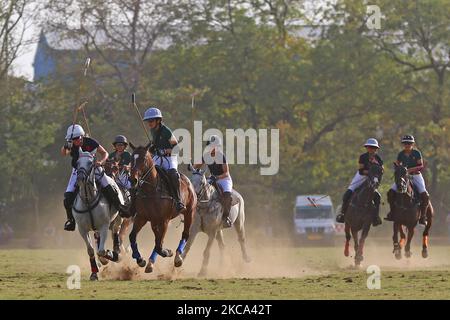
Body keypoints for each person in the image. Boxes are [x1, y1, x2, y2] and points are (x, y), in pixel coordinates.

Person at [61, 124, 127, 231]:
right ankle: (71, 220)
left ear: (81, 136)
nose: (75, 141)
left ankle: (120, 208)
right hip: (77, 171)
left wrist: (100, 162)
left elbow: (104, 153)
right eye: (72, 139)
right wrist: (65, 146)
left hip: (93, 168)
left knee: (109, 186)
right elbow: (64, 153)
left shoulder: (90, 142)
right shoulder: (71, 145)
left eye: (76, 138)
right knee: (68, 196)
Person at [142, 107, 185, 213]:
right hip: (157, 158)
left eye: (151, 121)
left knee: (173, 174)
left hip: (169, 159)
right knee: (144, 173)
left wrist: (166, 150)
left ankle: (178, 200)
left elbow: (177, 147)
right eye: (148, 121)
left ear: (158, 120)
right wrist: (152, 148)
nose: (149, 123)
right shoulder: (152, 131)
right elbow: (155, 144)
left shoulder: (166, 131)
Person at [336, 138, 383, 226]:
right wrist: (370, 172)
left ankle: (375, 217)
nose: (371, 149)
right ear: (367, 148)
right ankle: (342, 214)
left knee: (377, 197)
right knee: (347, 194)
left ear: (376, 149)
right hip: (361, 176)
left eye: (373, 148)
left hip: (372, 178)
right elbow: (361, 170)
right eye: (369, 147)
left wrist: (376, 170)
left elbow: (381, 170)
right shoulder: (363, 157)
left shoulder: (378, 158)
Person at [385, 135, 429, 225]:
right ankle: (392, 212)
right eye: (405, 143)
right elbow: (397, 165)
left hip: (416, 176)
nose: (407, 145)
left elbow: (420, 166)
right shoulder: (401, 154)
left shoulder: (416, 153)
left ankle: (423, 216)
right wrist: (399, 169)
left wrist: (410, 170)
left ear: (412, 144)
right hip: (403, 177)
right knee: (391, 192)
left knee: (425, 195)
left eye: (409, 143)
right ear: (403, 144)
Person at [193, 135, 233, 228]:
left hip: (224, 180)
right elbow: (197, 166)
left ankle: (225, 218)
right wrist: (192, 166)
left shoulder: (221, 156)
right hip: (212, 178)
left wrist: (217, 177)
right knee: (199, 191)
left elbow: (226, 173)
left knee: (227, 196)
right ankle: (194, 214)